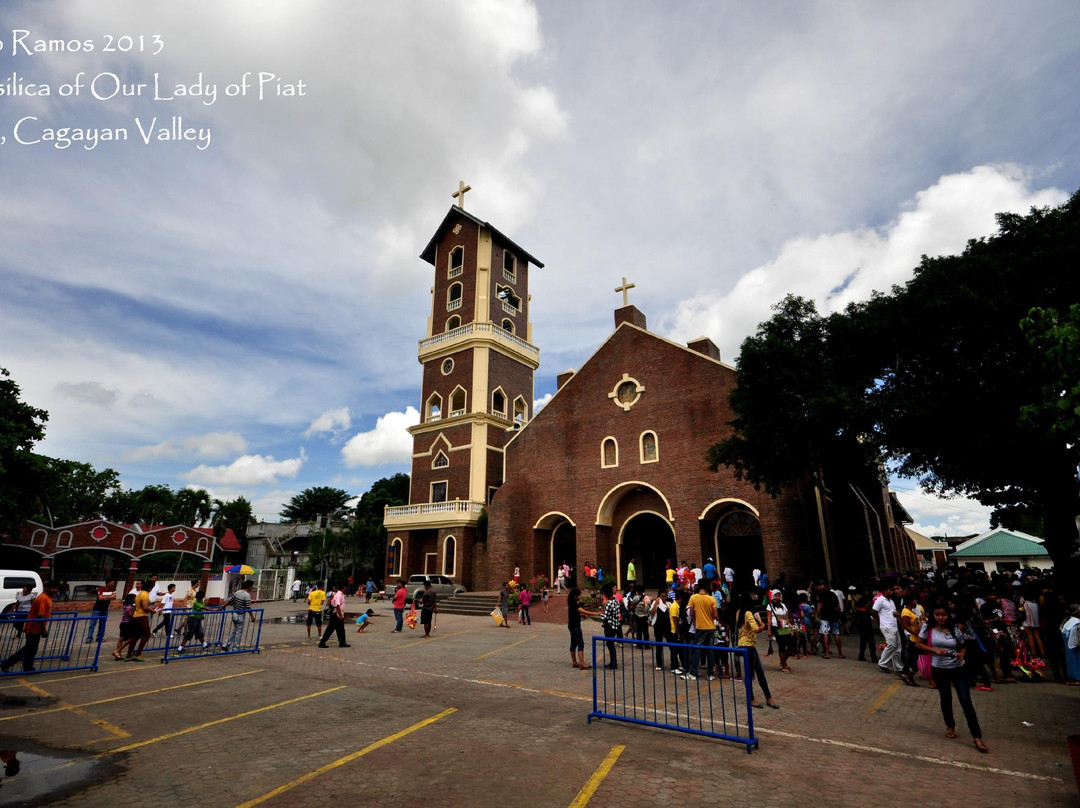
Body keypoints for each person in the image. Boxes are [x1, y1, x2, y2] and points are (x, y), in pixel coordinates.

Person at [916, 605, 988, 753]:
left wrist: (961, 653)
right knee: (946, 698)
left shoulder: (955, 630)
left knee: (966, 700)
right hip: (939, 669)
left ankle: (977, 737)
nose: (940, 618)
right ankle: (950, 725)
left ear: (949, 616)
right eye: (937, 614)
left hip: (957, 669)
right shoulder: (928, 628)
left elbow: (963, 646)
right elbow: (918, 644)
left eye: (943, 615)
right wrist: (934, 650)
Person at [1, 580, 58, 673]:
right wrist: (44, 629)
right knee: (27, 649)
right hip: (33, 627)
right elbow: (40, 615)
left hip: (36, 627)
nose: (55, 590)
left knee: (31, 650)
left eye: (57, 589)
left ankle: (27, 667)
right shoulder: (43, 598)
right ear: (48, 588)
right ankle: (7, 664)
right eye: (54, 588)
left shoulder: (46, 597)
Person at [736, 593, 778, 709]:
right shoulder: (748, 613)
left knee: (757, 672)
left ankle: (768, 697)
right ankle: (754, 698)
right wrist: (762, 625)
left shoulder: (739, 612)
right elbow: (756, 629)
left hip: (744, 644)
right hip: (748, 646)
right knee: (754, 673)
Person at [684, 582, 718, 681]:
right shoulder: (711, 599)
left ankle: (693, 672)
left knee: (697, 650)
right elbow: (715, 614)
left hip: (699, 627)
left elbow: (691, 612)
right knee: (710, 651)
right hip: (711, 627)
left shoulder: (693, 598)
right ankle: (710, 674)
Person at [567, 588, 599, 669]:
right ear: (575, 596)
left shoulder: (571, 604)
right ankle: (582, 663)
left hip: (571, 626)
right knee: (580, 643)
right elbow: (585, 611)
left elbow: (576, 614)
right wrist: (596, 613)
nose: (580, 597)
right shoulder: (576, 605)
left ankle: (574, 662)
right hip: (576, 627)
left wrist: (581, 616)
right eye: (578, 595)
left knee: (573, 644)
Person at [874, 583, 902, 674]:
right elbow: (874, 611)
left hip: (894, 626)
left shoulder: (891, 601)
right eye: (890, 590)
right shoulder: (880, 600)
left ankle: (898, 667)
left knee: (897, 647)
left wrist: (896, 615)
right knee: (891, 645)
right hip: (886, 626)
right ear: (885, 591)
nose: (892, 592)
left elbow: (892, 612)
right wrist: (879, 621)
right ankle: (882, 663)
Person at [223, 580, 258, 651]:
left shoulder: (237, 592)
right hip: (240, 615)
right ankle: (235, 647)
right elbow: (248, 607)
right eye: (251, 586)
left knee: (234, 630)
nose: (252, 588)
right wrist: (252, 616)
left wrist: (223, 606)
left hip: (234, 613)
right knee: (238, 632)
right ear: (249, 586)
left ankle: (226, 644)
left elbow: (230, 600)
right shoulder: (247, 595)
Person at [767, 590, 794, 673]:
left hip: (785, 627)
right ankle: (783, 665)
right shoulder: (770, 606)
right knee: (782, 646)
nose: (777, 597)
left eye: (779, 595)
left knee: (791, 646)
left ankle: (783, 661)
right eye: (776, 596)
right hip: (776, 628)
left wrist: (790, 627)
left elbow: (787, 617)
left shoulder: (783, 605)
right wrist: (769, 630)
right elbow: (769, 619)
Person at [650, 588, 675, 672]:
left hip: (667, 626)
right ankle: (659, 663)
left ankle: (674, 664)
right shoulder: (656, 602)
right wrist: (656, 604)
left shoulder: (669, 603)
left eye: (665, 596)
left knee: (671, 645)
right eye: (662, 596)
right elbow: (652, 613)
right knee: (658, 645)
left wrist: (668, 608)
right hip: (658, 626)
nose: (664, 598)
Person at [85, 579, 116, 644]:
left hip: (105, 609)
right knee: (92, 623)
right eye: (111, 583)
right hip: (97, 609)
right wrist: (110, 597)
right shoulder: (101, 589)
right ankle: (89, 638)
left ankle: (100, 637)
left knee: (102, 624)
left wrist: (105, 597)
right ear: (107, 583)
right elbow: (100, 598)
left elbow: (115, 597)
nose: (113, 584)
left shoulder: (112, 589)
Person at [318, 584, 349, 648]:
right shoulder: (338, 595)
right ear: (343, 588)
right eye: (346, 587)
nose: (347, 589)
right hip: (336, 615)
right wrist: (340, 615)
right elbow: (337, 606)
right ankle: (322, 642)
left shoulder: (340, 595)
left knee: (340, 629)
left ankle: (342, 642)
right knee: (330, 629)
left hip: (337, 614)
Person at [600, 584, 622, 670]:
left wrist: (597, 614)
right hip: (615, 625)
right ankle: (613, 662)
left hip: (610, 626)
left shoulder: (609, 603)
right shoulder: (615, 600)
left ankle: (614, 663)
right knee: (611, 645)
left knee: (610, 645)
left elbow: (605, 616)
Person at [112, 593, 137, 660]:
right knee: (131, 638)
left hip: (123, 623)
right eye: (135, 598)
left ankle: (118, 655)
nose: (136, 599)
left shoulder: (126, 605)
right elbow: (130, 614)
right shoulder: (129, 606)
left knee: (121, 639)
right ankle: (118, 650)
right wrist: (136, 610)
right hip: (127, 624)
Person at [1062, 604, 1080, 685]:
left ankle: (1075, 678)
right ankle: (1075, 678)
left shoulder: (1069, 620)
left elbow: (1063, 631)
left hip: (1070, 645)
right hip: (1072, 644)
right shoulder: (1075, 621)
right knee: (1073, 660)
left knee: (1073, 660)